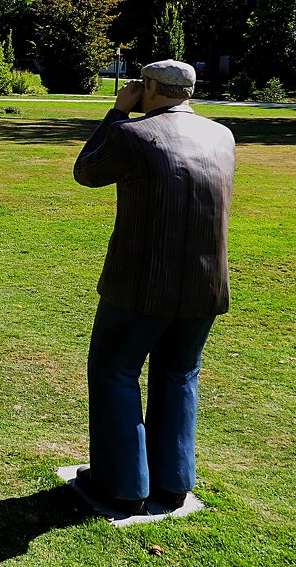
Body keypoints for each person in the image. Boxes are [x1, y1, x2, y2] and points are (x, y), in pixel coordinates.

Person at [72, 59, 235, 516]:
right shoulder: (222, 135)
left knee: (115, 372)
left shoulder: (134, 134)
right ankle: (173, 481)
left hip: (141, 282)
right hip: (205, 282)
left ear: (146, 86)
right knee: (180, 374)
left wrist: (117, 113)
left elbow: (86, 170)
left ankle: (121, 484)